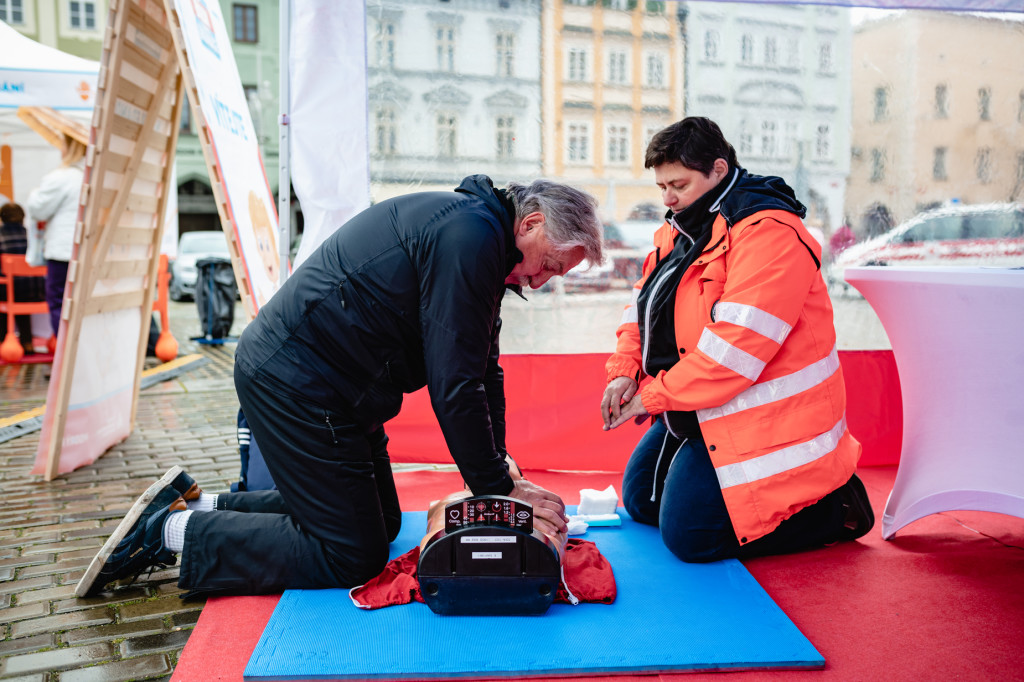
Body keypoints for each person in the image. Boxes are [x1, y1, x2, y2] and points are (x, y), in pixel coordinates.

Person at [77, 174, 604, 597]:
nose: (541, 281)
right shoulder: (471, 240)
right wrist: (497, 487)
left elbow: (485, 370)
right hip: (300, 384)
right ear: (530, 224)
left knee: (385, 522)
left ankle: (199, 507)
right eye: (550, 266)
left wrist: (501, 468)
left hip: (333, 388)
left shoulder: (476, 233)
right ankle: (164, 535)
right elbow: (455, 384)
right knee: (349, 553)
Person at [600, 117, 873, 564]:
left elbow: (734, 352)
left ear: (719, 170)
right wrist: (623, 371)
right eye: (661, 187)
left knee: (692, 537)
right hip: (702, 402)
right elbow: (643, 307)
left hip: (768, 419)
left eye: (679, 185)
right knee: (642, 502)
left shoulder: (770, 234)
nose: (667, 199)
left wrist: (652, 397)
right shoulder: (682, 227)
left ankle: (836, 508)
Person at [26, 134, 86, 337]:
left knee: (59, 301)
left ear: (71, 147)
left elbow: (37, 209)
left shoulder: (62, 177)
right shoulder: (90, 176)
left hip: (63, 251)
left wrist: (34, 192)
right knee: (80, 304)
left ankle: (65, 358)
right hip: (85, 251)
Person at [0, 203, 46, 355]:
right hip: (35, 292)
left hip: (9, 293)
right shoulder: (32, 236)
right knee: (20, 293)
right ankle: (27, 343)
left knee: (6, 291)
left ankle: (3, 341)